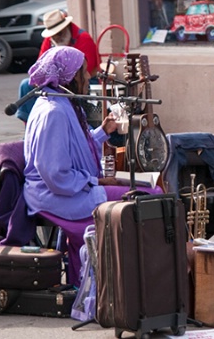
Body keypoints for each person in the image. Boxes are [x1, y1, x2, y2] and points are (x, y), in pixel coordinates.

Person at [22, 46, 160, 286]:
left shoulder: (63, 103)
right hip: (56, 194)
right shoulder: (53, 111)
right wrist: (96, 181)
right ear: (70, 77)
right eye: (83, 72)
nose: (88, 78)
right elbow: (55, 174)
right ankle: (123, 283)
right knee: (147, 199)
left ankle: (138, 280)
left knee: (152, 191)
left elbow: (72, 150)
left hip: (69, 187)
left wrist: (102, 133)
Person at [15, 9, 100, 123]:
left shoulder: (83, 38)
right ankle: (32, 123)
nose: (56, 38)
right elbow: (41, 67)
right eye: (53, 35)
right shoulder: (48, 41)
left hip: (81, 80)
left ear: (67, 27)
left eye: (59, 33)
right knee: (26, 85)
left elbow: (84, 72)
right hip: (57, 83)